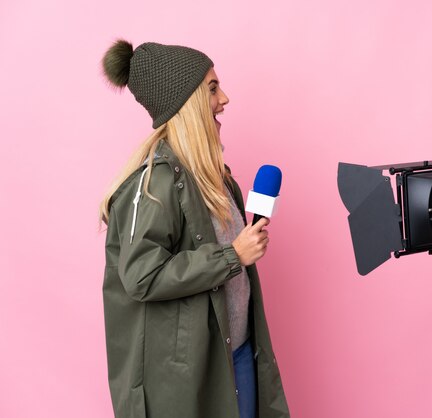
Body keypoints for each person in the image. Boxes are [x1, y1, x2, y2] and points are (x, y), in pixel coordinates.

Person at [99, 40, 289, 418]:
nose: (225, 99)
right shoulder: (155, 186)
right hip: (191, 379)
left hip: (236, 356)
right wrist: (233, 255)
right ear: (186, 105)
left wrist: (243, 246)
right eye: (213, 89)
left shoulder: (218, 180)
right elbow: (142, 275)